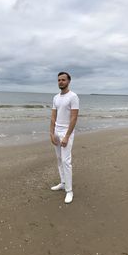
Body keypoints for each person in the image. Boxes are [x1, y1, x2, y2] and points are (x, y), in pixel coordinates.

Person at [50, 72, 79, 204]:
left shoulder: (73, 97)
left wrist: (67, 136)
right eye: (59, 80)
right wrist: (51, 133)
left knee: (66, 161)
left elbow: (74, 117)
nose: (60, 82)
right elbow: (53, 116)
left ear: (68, 81)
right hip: (56, 131)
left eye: (63, 80)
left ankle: (69, 191)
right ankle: (62, 182)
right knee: (59, 159)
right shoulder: (56, 98)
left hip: (66, 132)